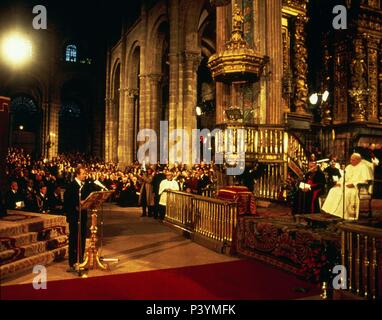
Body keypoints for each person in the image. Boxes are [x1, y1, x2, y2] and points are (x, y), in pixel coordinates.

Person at [322, 153, 373, 220]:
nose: (351, 161)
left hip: (357, 188)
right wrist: (339, 183)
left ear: (358, 160)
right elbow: (344, 177)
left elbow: (366, 181)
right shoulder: (349, 167)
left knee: (346, 193)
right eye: (351, 160)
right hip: (346, 185)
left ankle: (343, 214)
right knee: (333, 190)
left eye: (353, 160)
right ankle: (331, 211)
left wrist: (354, 184)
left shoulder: (364, 167)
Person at [63, 165, 92, 272]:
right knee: (74, 239)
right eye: (83, 173)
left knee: (82, 238)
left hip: (82, 216)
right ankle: (73, 262)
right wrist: (77, 204)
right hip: (74, 217)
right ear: (77, 174)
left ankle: (81, 260)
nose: (85, 175)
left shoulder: (84, 186)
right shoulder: (71, 186)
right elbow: (67, 201)